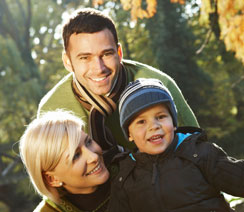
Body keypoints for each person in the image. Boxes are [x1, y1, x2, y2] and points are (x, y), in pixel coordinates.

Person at [37, 8, 199, 159]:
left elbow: (198, 149)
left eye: (106, 54)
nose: (99, 68)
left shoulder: (159, 86)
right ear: (67, 62)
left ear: (119, 53)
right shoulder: (52, 110)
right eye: (85, 58)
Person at [108, 78, 244, 212]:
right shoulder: (125, 177)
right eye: (141, 122)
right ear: (129, 134)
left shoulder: (199, 154)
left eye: (160, 117)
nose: (154, 126)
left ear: (173, 123)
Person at [19, 110, 111, 212]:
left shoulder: (125, 167)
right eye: (76, 156)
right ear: (52, 179)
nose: (94, 157)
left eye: (88, 142)